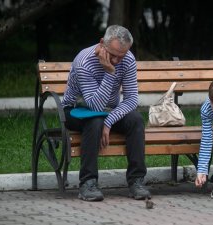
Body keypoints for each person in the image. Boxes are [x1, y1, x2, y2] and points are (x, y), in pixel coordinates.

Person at [62, 25, 151, 201]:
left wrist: (109, 122)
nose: (117, 61)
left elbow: (132, 99)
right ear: (102, 43)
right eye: (113, 55)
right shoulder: (84, 61)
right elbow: (94, 106)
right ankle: (88, 183)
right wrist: (110, 73)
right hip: (74, 110)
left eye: (122, 55)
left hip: (107, 112)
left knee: (135, 119)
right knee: (95, 121)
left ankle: (137, 181)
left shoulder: (128, 59)